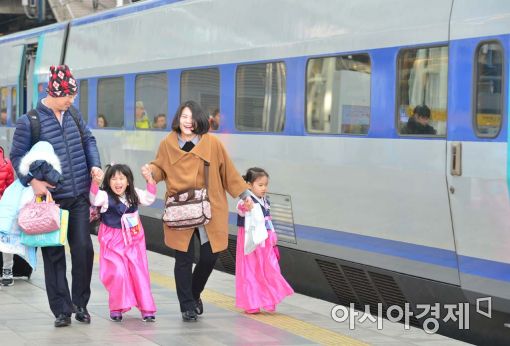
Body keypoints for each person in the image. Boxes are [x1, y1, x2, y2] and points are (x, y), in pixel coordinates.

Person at [9, 65, 102, 327]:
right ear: (54, 93)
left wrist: (95, 164)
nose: (72, 100)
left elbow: (88, 141)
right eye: (68, 95)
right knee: (54, 255)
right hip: (51, 200)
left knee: (83, 249)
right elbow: (17, 158)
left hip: (79, 195)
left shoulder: (73, 113)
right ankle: (62, 309)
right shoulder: (30, 121)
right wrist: (33, 182)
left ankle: (80, 303)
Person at [149, 100, 253, 322]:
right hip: (181, 208)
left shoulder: (212, 144)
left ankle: (194, 293)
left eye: (192, 117)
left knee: (209, 256)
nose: (188, 121)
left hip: (210, 206)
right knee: (183, 259)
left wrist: (245, 196)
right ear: (178, 119)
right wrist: (151, 172)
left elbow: (229, 172)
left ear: (199, 120)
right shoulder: (167, 144)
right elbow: (159, 167)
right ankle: (187, 305)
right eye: (184, 116)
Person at [89, 163, 157, 322]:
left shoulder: (134, 194)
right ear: (108, 181)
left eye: (122, 178)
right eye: (113, 179)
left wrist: (149, 179)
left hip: (134, 240)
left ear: (128, 181)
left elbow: (149, 198)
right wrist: (95, 183)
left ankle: (146, 308)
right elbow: (94, 198)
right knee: (118, 272)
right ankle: (116, 307)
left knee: (138, 273)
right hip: (113, 241)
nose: (118, 182)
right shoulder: (105, 196)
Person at [235, 167, 293, 314]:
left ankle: (269, 300)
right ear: (249, 185)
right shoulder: (246, 200)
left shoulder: (265, 201)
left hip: (265, 240)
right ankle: (251, 303)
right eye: (260, 185)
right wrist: (245, 206)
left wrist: (272, 234)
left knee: (269, 269)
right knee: (250, 270)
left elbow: (268, 219)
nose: (264, 188)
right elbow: (241, 209)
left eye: (265, 185)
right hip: (250, 240)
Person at [0, 145, 15, 286]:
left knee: (5, 239)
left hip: (2, 207)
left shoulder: (6, 164)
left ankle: (7, 270)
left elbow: (10, 188)